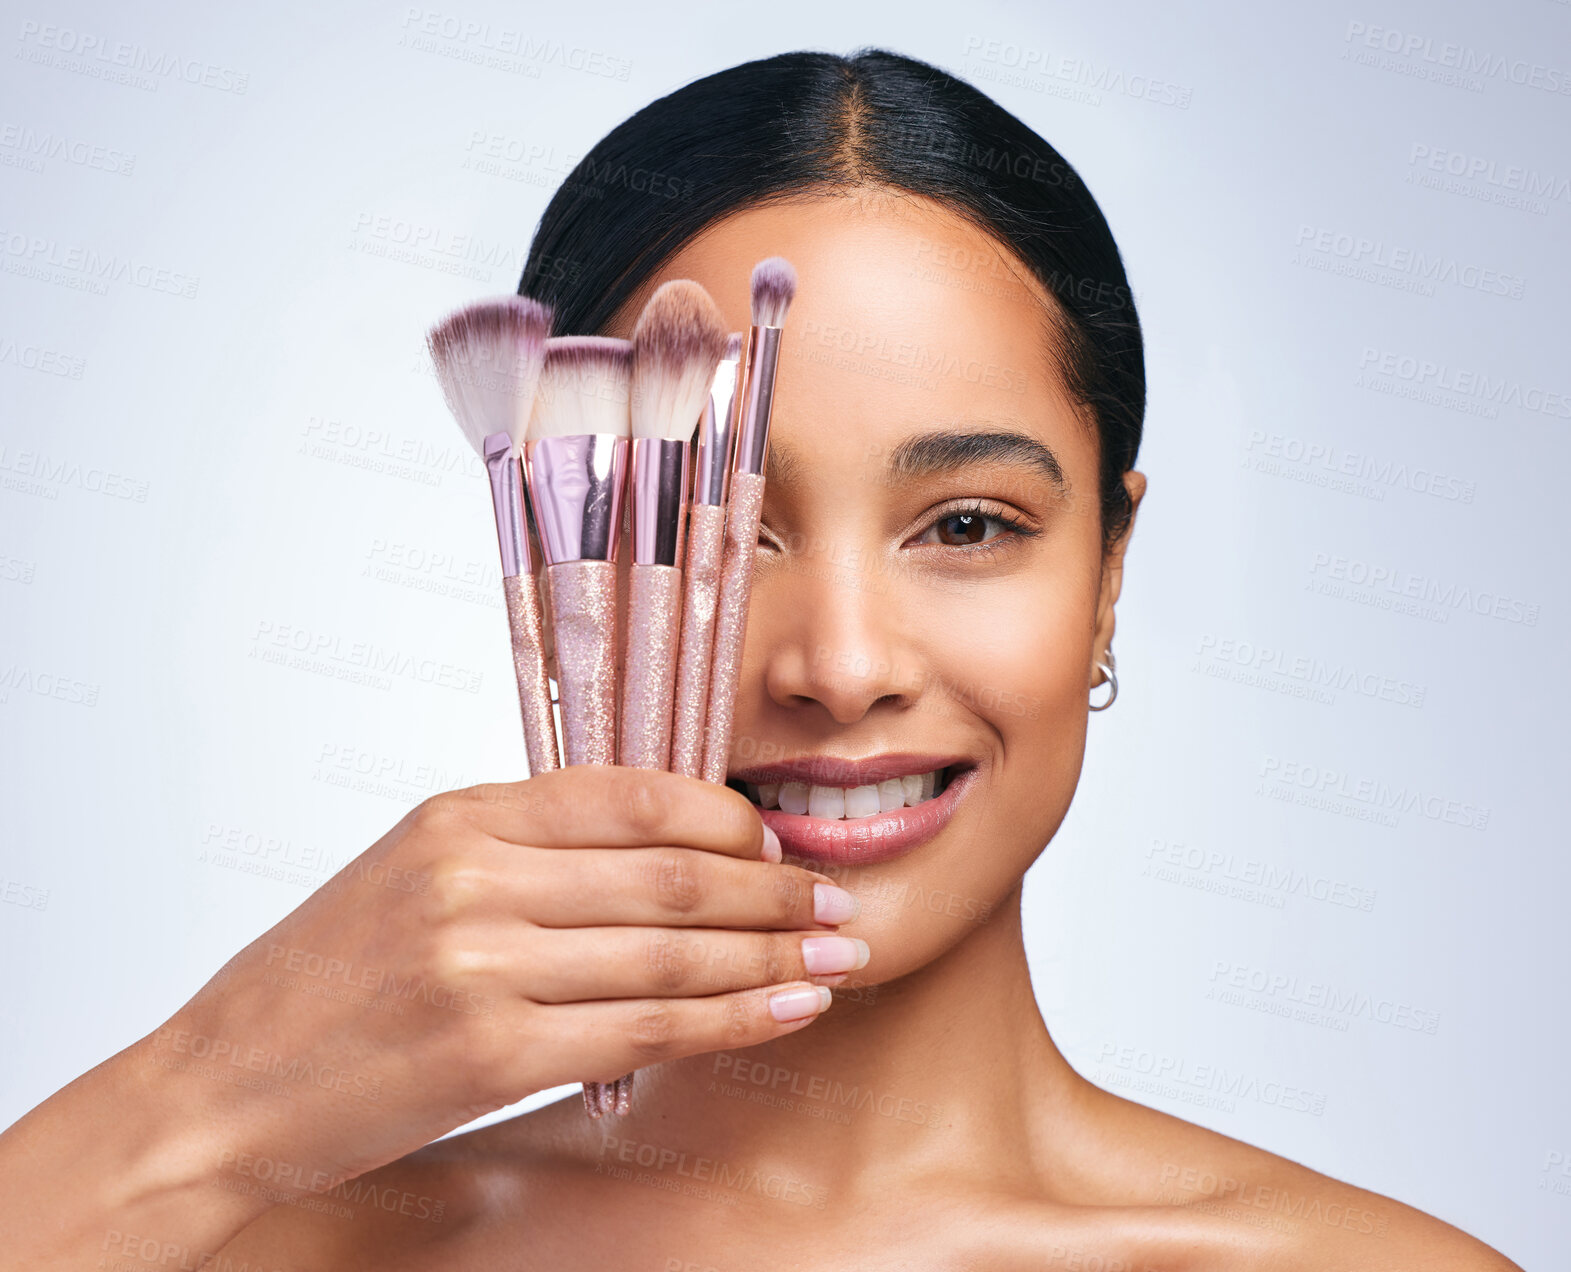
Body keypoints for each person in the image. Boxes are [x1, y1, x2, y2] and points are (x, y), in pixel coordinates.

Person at [0, 49, 1520, 1271]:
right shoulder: (254, 1246)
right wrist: (207, 1095)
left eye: (971, 524)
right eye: (711, 529)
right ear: (552, 558)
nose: (842, 667)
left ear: (1110, 574)